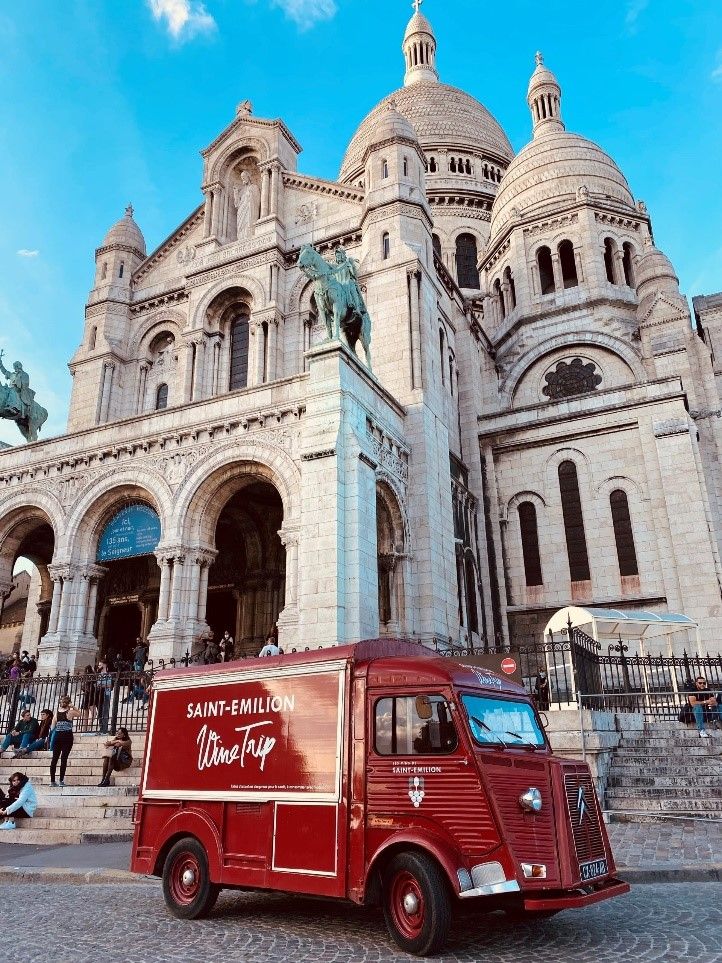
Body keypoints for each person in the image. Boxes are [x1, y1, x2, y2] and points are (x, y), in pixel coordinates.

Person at [50, 695, 79, 787]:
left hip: (58, 736)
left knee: (55, 759)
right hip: (67, 736)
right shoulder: (70, 712)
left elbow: (52, 726)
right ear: (68, 703)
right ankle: (61, 781)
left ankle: (52, 781)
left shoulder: (56, 713)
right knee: (63, 759)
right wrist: (73, 706)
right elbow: (80, 714)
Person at [95, 660, 114, 733]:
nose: (99, 666)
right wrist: (102, 685)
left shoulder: (109, 674)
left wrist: (101, 685)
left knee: (105, 711)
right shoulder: (99, 675)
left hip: (106, 694)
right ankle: (101, 727)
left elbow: (109, 684)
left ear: (105, 665)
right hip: (99, 694)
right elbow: (97, 684)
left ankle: (104, 728)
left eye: (100, 665)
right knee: (99, 711)